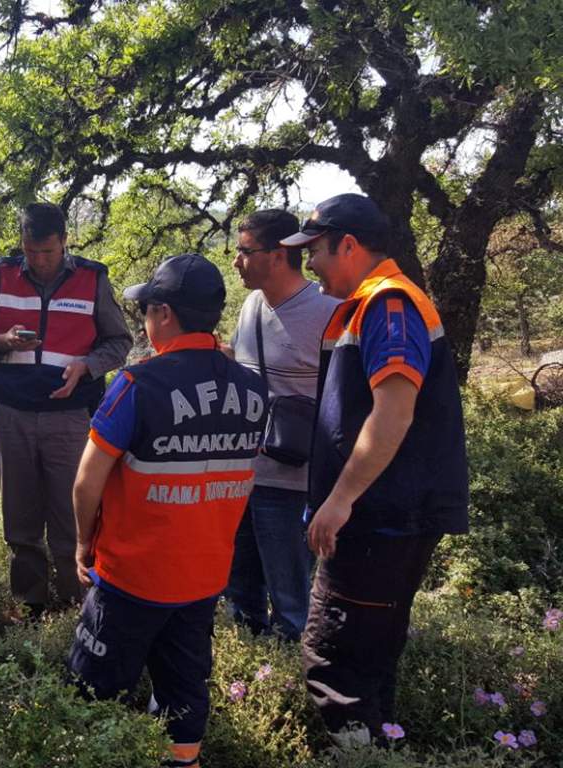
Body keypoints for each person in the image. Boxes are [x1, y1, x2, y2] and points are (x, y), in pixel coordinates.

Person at [280, 194, 469, 747]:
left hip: (379, 518)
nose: (310, 265)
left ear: (349, 244)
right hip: (383, 514)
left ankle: (358, 752)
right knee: (369, 652)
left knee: (337, 657)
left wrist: (341, 501)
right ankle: (380, 747)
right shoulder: (371, 304)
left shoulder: (388, 304)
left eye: (314, 251)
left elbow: (394, 410)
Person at [68, 254, 267, 768]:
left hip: (131, 576)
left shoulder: (137, 385)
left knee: (95, 686)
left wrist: (83, 543)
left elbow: (88, 482)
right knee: (184, 687)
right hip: (203, 579)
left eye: (145, 312)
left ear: (163, 313)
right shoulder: (253, 389)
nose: (143, 323)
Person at [0, 202, 132, 616]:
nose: (38, 261)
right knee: (19, 519)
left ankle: (77, 606)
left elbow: (119, 343)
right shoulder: (2, 275)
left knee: (71, 517)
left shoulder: (93, 278)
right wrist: (2, 341)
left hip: (70, 418)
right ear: (21, 244)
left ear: (65, 243)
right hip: (13, 415)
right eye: (31, 252)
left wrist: (87, 366)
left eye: (48, 252)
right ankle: (31, 605)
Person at [224, 210, 340, 641]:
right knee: (240, 592)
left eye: (244, 251)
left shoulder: (330, 309)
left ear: (277, 255)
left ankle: (299, 675)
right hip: (243, 474)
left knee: (291, 597)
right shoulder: (252, 305)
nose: (236, 261)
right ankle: (253, 672)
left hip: (294, 479)